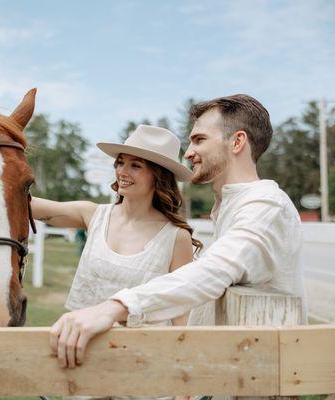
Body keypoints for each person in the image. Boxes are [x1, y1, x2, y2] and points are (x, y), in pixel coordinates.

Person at [49, 94, 307, 369]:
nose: (188, 152)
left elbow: (215, 271)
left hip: (260, 375)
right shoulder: (232, 205)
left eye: (199, 140)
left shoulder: (264, 206)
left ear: (237, 142)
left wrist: (112, 308)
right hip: (238, 370)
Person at [32, 125, 204, 365]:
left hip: (146, 364)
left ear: (159, 175)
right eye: (120, 162)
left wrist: (184, 380)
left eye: (135, 165)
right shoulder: (93, 215)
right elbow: (28, 205)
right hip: (82, 356)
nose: (122, 171)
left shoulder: (176, 237)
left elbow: (181, 312)